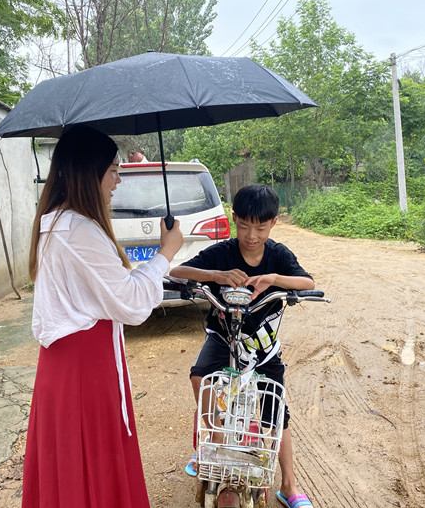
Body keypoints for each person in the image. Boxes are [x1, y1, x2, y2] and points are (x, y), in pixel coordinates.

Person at [22, 125, 183, 508]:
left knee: (75, 469)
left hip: (70, 369)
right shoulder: (77, 230)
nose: (118, 179)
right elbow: (130, 303)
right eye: (112, 169)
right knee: (89, 467)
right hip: (84, 375)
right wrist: (166, 253)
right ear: (87, 172)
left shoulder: (57, 222)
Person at [169, 184, 316, 508]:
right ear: (234, 219)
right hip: (223, 339)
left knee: (275, 412)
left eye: (260, 227)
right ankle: (216, 445)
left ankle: (289, 486)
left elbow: (308, 283)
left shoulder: (278, 255)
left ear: (273, 223)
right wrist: (215, 275)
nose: (252, 234)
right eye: (245, 225)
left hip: (263, 349)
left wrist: (275, 279)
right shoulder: (222, 253)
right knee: (200, 376)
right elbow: (176, 272)